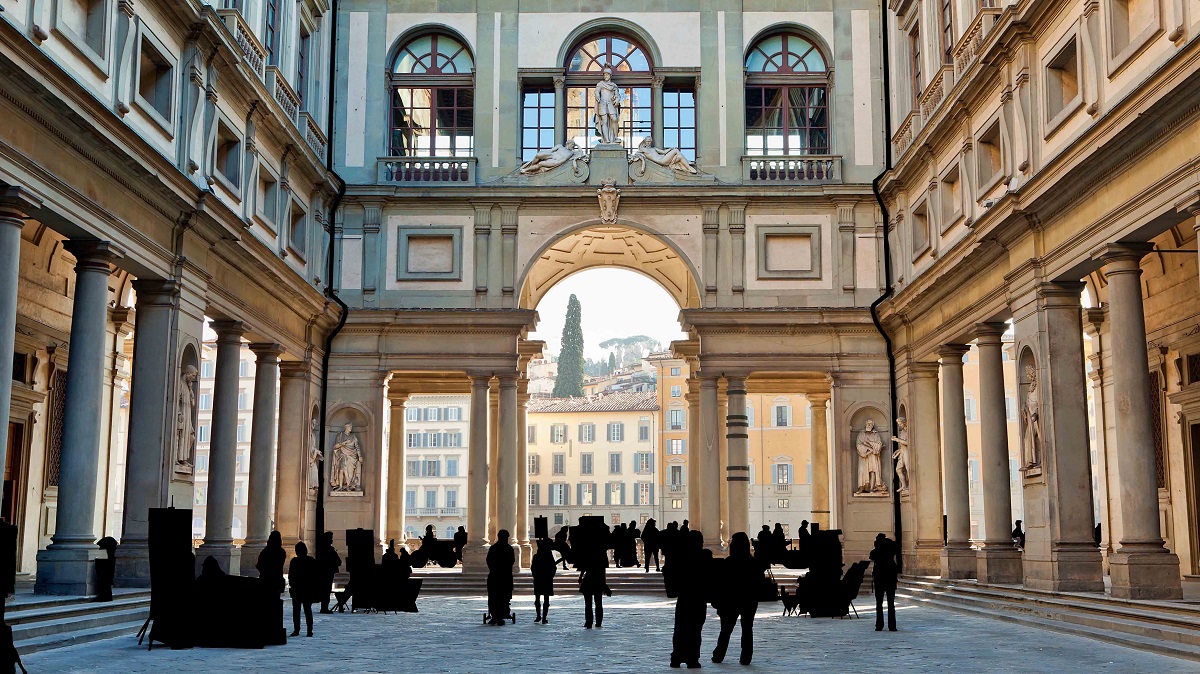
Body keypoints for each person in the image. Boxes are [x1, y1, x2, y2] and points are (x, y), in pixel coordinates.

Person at [711, 532, 765, 665]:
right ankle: (746, 657)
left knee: (726, 629)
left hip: (731, 600)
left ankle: (719, 655)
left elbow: (721, 583)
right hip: (749, 599)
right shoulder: (754, 563)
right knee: (747, 628)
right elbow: (759, 582)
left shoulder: (728, 563)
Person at [669, 530, 708, 668]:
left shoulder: (680, 557)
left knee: (680, 628)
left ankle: (676, 656)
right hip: (698, 598)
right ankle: (692, 658)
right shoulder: (704, 557)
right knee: (695, 630)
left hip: (684, 598)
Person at [579, 531, 610, 628]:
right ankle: (598, 622)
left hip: (588, 579)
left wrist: (580, 577)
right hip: (598, 580)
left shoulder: (588, 552)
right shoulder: (602, 554)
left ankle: (588, 622)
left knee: (588, 604)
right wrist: (604, 584)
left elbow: (584, 567)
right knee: (598, 603)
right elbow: (603, 571)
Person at [288, 541, 319, 637]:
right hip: (307, 588)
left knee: (296, 611)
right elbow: (315, 575)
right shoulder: (310, 560)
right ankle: (309, 630)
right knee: (307, 610)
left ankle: (296, 629)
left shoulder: (294, 561)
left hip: (297, 588)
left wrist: (292, 585)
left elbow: (291, 575)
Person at [869, 534, 899, 631]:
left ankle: (879, 625)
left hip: (879, 578)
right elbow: (896, 548)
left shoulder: (876, 551)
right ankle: (892, 626)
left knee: (879, 604)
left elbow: (871, 556)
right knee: (891, 603)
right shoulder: (891, 549)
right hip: (890, 578)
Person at [486, 530, 515, 625]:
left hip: (494, 575)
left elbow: (489, 561)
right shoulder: (509, 549)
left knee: (493, 596)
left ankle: (495, 615)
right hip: (505, 576)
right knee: (504, 596)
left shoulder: (493, 548)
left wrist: (494, 569)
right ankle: (502, 613)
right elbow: (511, 561)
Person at [531, 538, 557, 624]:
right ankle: (544, 617)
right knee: (546, 598)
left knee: (537, 598)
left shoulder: (536, 556)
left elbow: (533, 568)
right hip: (547, 579)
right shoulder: (549, 557)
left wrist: (535, 576)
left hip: (538, 579)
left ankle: (538, 616)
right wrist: (550, 576)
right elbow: (553, 568)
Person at [316, 531, 341, 613]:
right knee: (326, 590)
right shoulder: (329, 550)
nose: (332, 540)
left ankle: (324, 607)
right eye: (330, 538)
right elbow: (338, 561)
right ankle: (324, 608)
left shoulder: (322, 550)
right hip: (327, 572)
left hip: (325, 572)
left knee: (325, 590)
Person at [256, 531, 286, 596]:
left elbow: (258, 565)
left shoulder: (265, 552)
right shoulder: (282, 552)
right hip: (277, 580)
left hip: (265, 580)